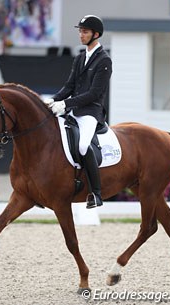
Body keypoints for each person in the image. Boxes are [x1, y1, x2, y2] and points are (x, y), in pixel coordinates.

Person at [44, 15, 112, 209]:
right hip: (73, 110)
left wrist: (65, 104)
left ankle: (96, 193)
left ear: (96, 34)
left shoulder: (104, 60)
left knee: (83, 146)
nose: (81, 35)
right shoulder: (80, 57)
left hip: (91, 112)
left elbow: (94, 93)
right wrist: (53, 100)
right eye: (80, 31)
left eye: (85, 32)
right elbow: (69, 86)